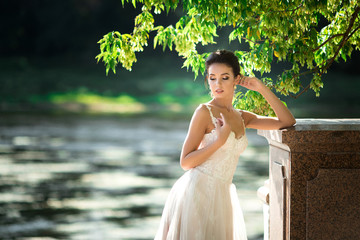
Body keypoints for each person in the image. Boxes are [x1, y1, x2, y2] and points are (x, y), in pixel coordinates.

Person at [155, 50, 296, 240]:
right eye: (212, 78)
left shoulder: (242, 116)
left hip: (223, 195)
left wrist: (261, 88)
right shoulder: (204, 112)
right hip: (197, 194)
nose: (217, 84)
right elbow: (185, 162)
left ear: (236, 80)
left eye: (224, 77)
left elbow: (287, 121)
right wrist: (219, 142)